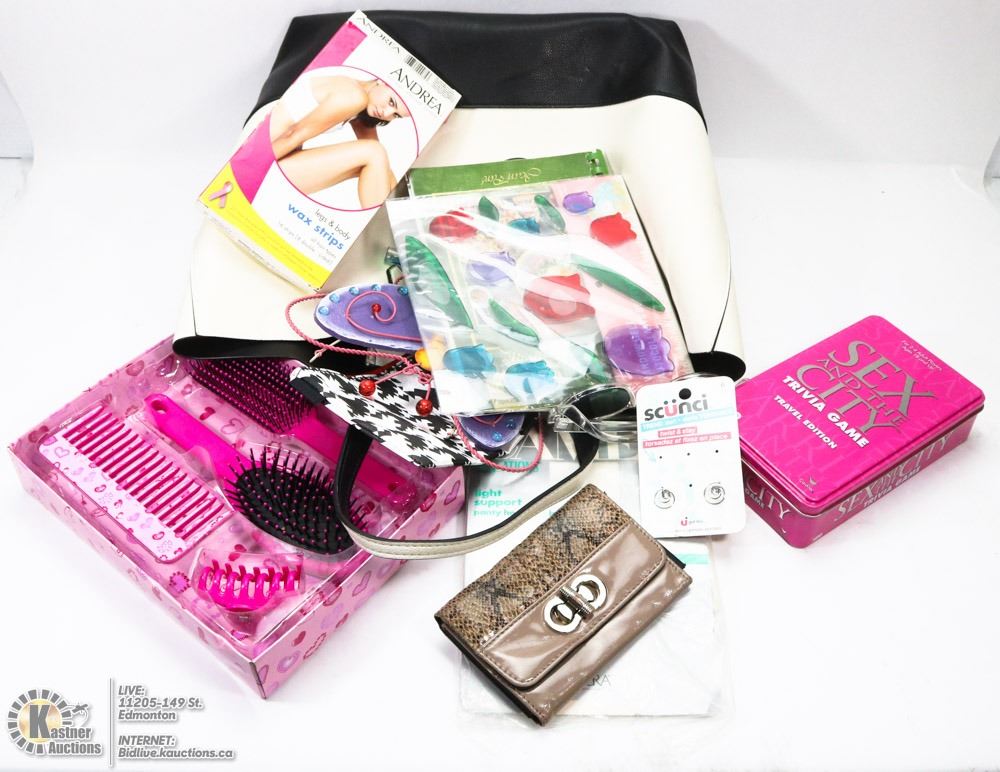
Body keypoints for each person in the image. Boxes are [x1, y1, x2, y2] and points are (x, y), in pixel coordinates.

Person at [269, 75, 410, 207]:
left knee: (377, 157)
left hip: (281, 161)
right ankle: (382, 222)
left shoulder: (359, 101)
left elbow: (385, 168)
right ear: (383, 81)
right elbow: (292, 134)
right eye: (391, 102)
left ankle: (391, 220)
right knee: (374, 152)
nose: (386, 113)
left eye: (396, 115)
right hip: (268, 158)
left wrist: (403, 208)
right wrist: (257, 170)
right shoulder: (354, 96)